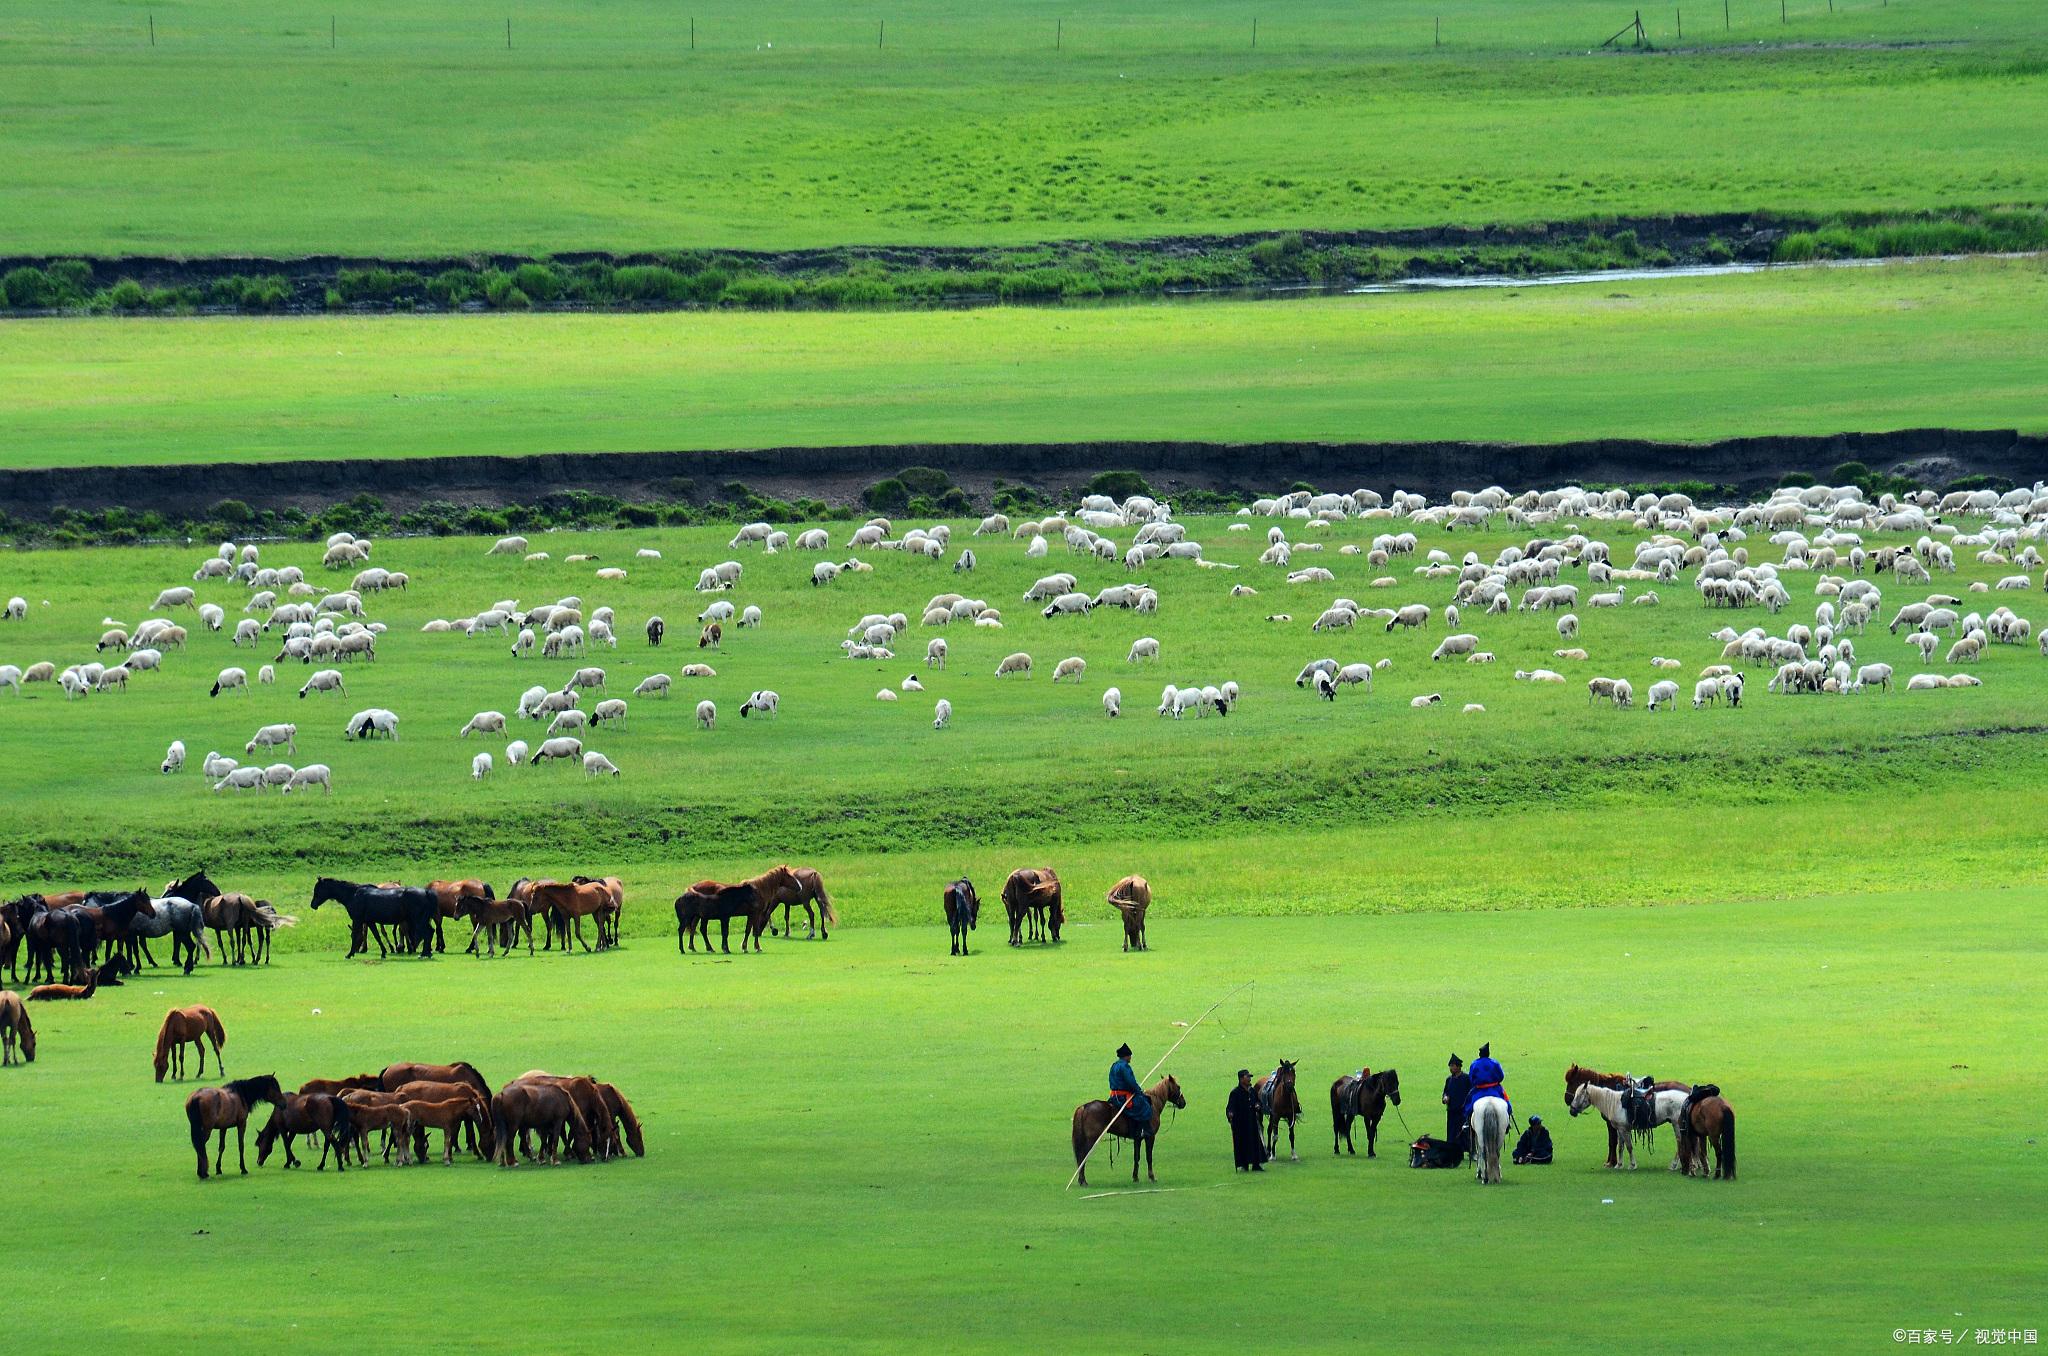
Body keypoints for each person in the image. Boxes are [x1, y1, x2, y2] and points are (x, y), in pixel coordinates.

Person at [1464, 1041, 1511, 1132]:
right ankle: (1508, 1120)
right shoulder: (1494, 1063)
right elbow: (1501, 1076)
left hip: (1479, 1090)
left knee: (1468, 1103)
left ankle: (1467, 1122)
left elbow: (1471, 1079)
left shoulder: (1475, 1064)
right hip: (1494, 1089)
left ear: (1480, 1054)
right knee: (1506, 1102)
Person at [1107, 1042, 1150, 1137]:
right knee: (1144, 1105)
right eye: (1129, 1056)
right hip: (1123, 1097)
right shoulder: (1124, 1066)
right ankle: (1142, 1130)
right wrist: (1138, 1091)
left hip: (1114, 1096)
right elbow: (1131, 1082)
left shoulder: (1114, 1065)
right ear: (1125, 1056)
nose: (1130, 1058)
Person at [1225, 1069, 1265, 1171]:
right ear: (1241, 1078)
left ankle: (1256, 1164)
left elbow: (1258, 1103)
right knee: (1242, 1143)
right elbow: (1230, 1107)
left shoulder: (1252, 1091)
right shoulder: (1235, 1093)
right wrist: (1230, 1114)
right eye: (1247, 1077)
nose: (1249, 1079)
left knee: (1255, 1142)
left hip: (1252, 1122)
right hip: (1241, 1123)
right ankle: (1244, 1164)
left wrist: (1258, 1106)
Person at [1442, 1054, 1471, 1158]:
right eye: (1450, 1066)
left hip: (1463, 1112)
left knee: (1464, 1134)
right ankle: (1452, 1152)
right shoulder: (1449, 1080)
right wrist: (1445, 1098)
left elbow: (1470, 1093)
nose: (1451, 1068)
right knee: (1451, 1133)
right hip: (1451, 1111)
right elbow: (1445, 1092)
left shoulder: (1466, 1079)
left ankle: (1469, 1151)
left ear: (1458, 1067)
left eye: (1452, 1066)